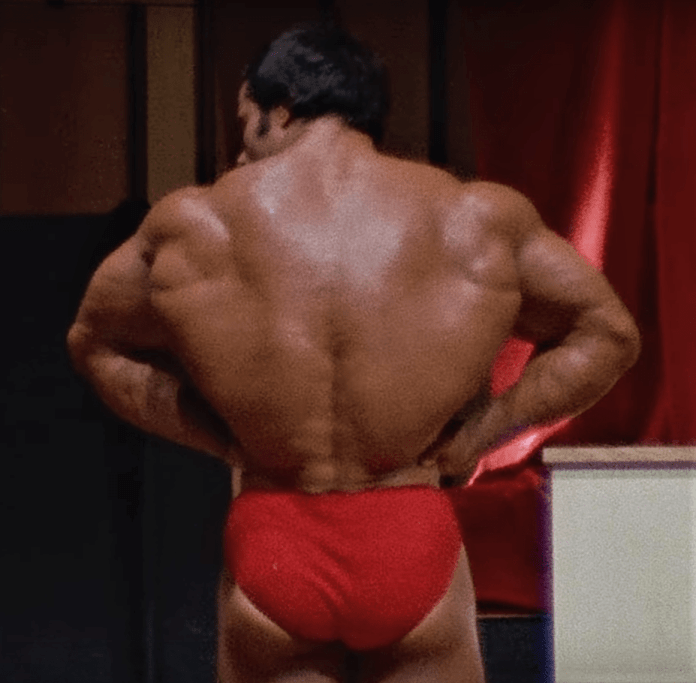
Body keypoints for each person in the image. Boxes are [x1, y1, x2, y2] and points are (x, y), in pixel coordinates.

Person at [67, 21, 641, 683]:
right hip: (407, 525)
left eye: (244, 122)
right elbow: (609, 334)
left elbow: (94, 342)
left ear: (280, 111)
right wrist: (479, 438)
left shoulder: (196, 222)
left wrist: (215, 438)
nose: (241, 151)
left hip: (276, 533)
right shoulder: (474, 216)